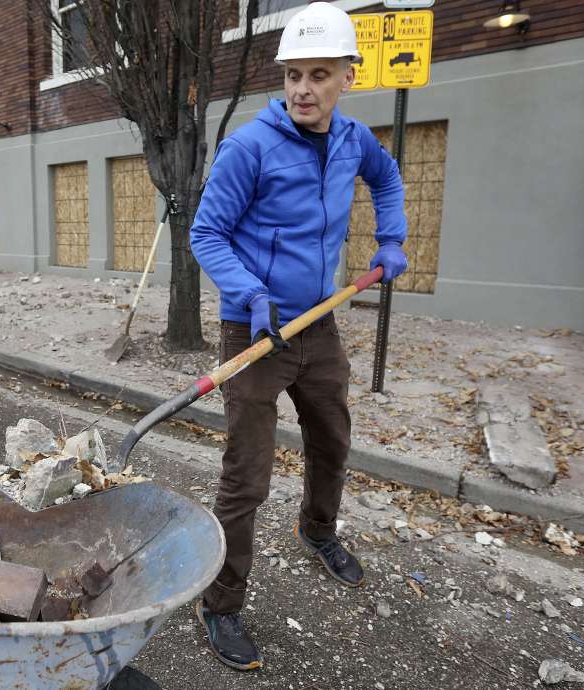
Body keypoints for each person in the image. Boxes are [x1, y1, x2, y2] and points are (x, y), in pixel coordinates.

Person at [188, 2, 408, 671]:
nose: (302, 89)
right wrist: (251, 292)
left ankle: (317, 531)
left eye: (319, 74)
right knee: (246, 477)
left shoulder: (352, 140)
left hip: (320, 324)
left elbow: (387, 178)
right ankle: (220, 605)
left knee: (332, 441)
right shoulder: (248, 148)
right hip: (254, 331)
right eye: (292, 75)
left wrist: (391, 237)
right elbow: (207, 234)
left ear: (348, 75)